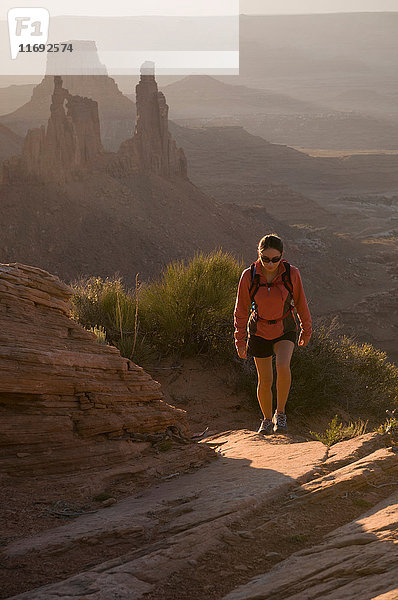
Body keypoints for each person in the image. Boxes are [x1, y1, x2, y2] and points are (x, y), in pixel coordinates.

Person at [234, 233, 312, 435]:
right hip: (259, 330)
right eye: (265, 258)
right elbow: (241, 310)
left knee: (283, 365)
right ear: (258, 254)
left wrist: (306, 328)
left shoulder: (291, 274)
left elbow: (301, 303)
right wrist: (240, 340)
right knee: (265, 379)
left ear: (282, 256)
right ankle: (267, 420)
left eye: (275, 259)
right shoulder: (248, 276)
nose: (270, 264)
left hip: (285, 328)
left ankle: (281, 413)